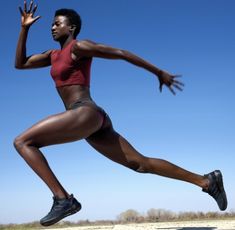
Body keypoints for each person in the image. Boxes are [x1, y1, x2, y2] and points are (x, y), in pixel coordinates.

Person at [14, 0, 227, 227]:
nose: (52, 27)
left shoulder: (79, 47)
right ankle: (206, 181)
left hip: (85, 111)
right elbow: (20, 64)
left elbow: (120, 53)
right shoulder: (52, 55)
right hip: (92, 122)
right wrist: (25, 28)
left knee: (23, 142)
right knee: (140, 164)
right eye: (52, 25)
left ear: (71, 28)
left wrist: (158, 72)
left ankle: (63, 199)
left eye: (57, 23)